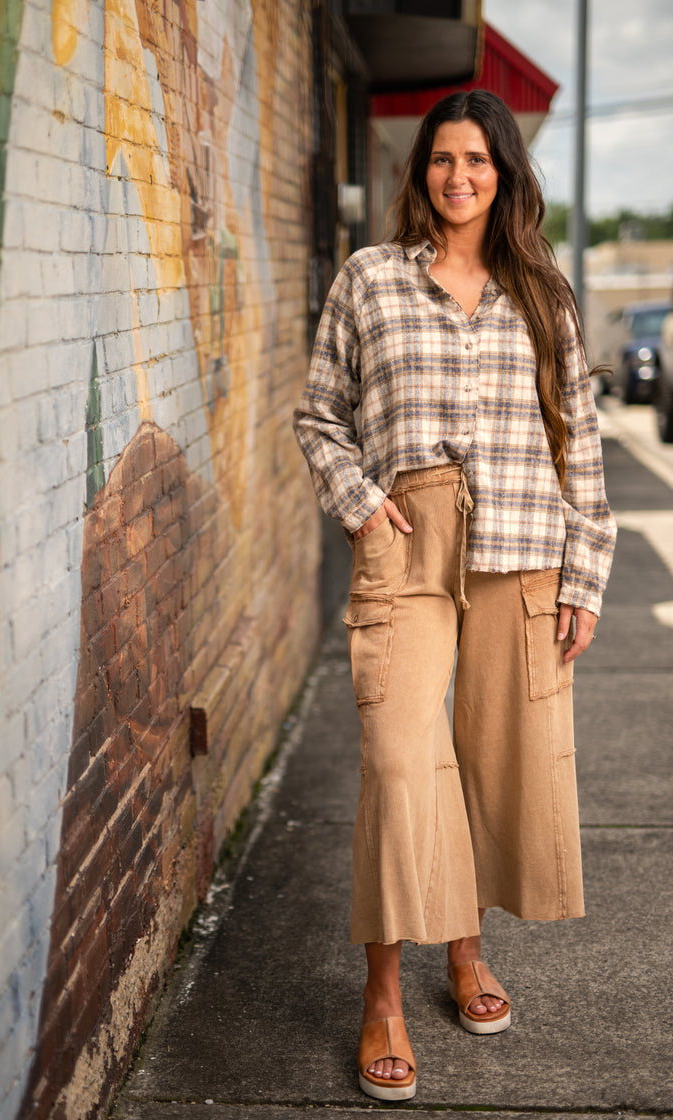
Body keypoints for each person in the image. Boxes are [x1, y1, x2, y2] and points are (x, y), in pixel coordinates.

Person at [292, 90, 616, 1102]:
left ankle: (463, 953)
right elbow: (317, 413)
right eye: (441, 158)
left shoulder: (541, 294)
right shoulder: (369, 280)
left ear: (503, 173)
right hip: (408, 540)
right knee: (398, 761)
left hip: (520, 546)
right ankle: (381, 992)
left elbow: (579, 438)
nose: (457, 176)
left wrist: (584, 573)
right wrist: (358, 503)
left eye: (476, 159)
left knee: (487, 761)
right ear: (418, 171)